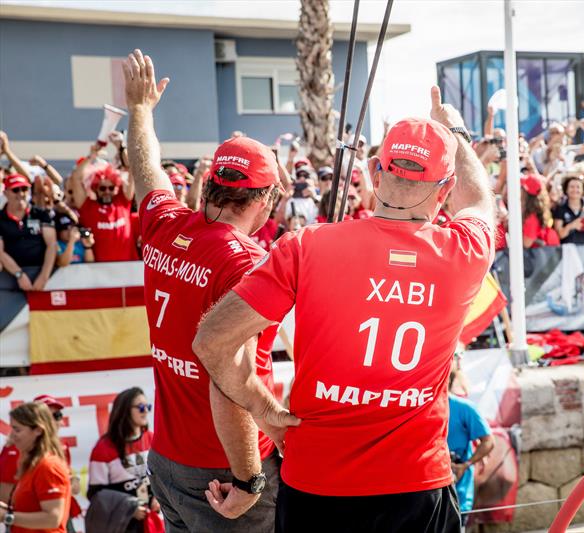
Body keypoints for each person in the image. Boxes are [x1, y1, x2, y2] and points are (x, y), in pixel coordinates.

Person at [193, 86, 495, 532]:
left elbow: (212, 340)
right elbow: (478, 200)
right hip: (414, 486)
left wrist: (265, 410)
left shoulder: (309, 245)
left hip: (316, 484)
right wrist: (453, 130)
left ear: (375, 172)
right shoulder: (464, 252)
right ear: (444, 188)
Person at [123, 49, 283, 531]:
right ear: (268, 199)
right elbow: (229, 380)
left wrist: (139, 110)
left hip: (168, 460)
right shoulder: (245, 263)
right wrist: (250, 479)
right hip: (225, 472)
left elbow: (145, 168)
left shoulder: (165, 223)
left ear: (210, 183)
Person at [87, 387, 158, 532]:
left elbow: (166, 476)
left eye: (148, 406)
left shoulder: (153, 439)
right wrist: (128, 508)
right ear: (125, 410)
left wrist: (159, 498)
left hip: (155, 520)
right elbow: (96, 494)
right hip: (124, 525)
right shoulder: (104, 447)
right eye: (141, 407)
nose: (146, 411)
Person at [0, 403, 71, 532]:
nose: (12, 435)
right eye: (12, 429)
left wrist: (7, 516)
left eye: (17, 430)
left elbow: (53, 518)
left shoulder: (48, 466)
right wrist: (7, 510)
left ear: (38, 430)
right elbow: (30, 508)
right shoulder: (33, 464)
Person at [447, 357, 494, 521]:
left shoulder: (464, 407)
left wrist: (465, 465)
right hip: (429, 495)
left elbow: (488, 441)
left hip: (459, 493)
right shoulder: (421, 407)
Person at [0, 173, 57, 291]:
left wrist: (44, 276)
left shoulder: (41, 214)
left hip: (41, 273)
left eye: (24, 189)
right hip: (11, 275)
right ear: (5, 193)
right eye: (15, 190)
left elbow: (52, 245)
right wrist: (19, 274)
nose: (21, 194)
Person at [72, 164, 137, 262]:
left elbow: (132, 171)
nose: (107, 191)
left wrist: (121, 149)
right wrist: (91, 156)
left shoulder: (123, 202)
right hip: (99, 270)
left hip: (128, 267)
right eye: (102, 188)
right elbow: (76, 179)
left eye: (111, 188)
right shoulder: (87, 207)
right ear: (95, 188)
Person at [553, 175, 584, 244]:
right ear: (566, 190)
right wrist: (572, 225)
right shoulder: (560, 209)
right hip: (567, 250)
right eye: (572, 187)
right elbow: (559, 235)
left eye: (578, 187)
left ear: (583, 190)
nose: (575, 190)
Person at [520, 175, 559, 248]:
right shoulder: (532, 211)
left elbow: (526, 243)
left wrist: (509, 227)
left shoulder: (532, 216)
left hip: (535, 256)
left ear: (525, 192)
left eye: (521, 187)